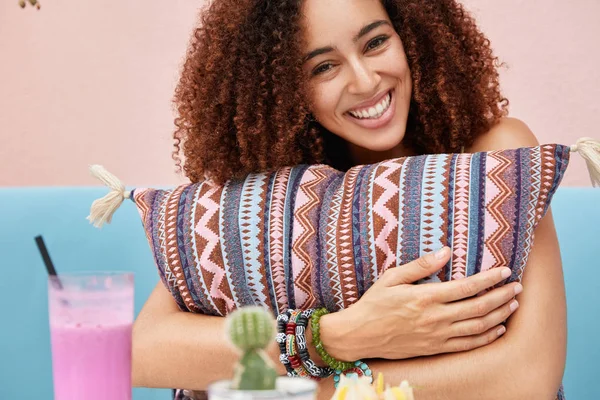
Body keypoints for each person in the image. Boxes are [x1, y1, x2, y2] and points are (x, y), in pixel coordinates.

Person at [132, 0, 566, 399]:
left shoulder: (497, 158)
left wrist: (287, 388)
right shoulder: (259, 199)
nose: (365, 80)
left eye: (376, 42)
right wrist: (341, 336)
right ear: (283, 89)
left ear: (410, 36)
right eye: (323, 67)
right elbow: (145, 351)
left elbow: (526, 380)